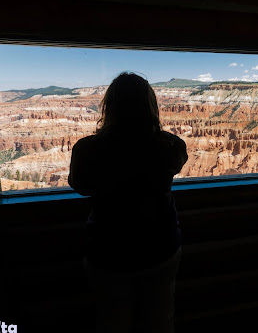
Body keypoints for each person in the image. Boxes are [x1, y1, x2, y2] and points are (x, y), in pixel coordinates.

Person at [69, 72, 188, 333]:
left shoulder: (87, 149)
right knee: (160, 322)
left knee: (112, 324)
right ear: (150, 106)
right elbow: (179, 159)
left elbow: (78, 185)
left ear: (109, 106)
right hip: (161, 248)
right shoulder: (168, 146)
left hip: (109, 252)